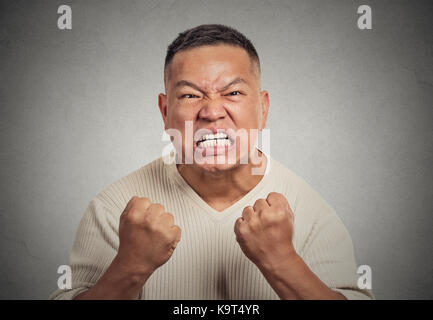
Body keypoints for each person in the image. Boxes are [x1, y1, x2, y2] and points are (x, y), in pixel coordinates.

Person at [50, 24, 374, 300]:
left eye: (232, 93)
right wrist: (129, 267)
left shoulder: (310, 211)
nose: (212, 111)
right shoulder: (113, 209)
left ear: (263, 108)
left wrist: (283, 262)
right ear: (165, 112)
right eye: (191, 95)